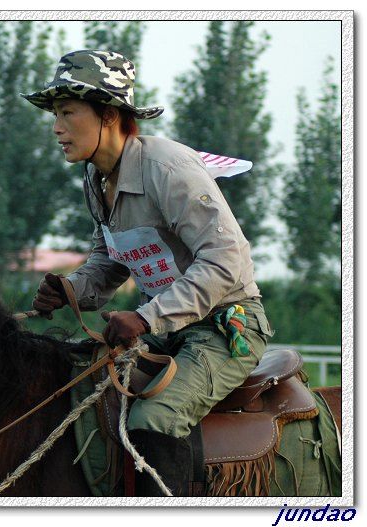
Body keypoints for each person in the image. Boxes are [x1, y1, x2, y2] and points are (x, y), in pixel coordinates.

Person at [22, 50, 275, 496]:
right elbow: (109, 260)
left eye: (67, 113)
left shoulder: (168, 168)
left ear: (108, 116)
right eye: (54, 115)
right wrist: (71, 290)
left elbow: (224, 260)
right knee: (81, 386)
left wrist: (144, 319)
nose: (56, 128)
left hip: (225, 327)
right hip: (167, 327)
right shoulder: (96, 178)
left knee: (152, 421)